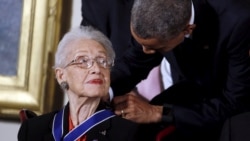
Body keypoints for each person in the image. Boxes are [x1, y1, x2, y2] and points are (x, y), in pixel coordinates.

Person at [109, 0, 250, 140]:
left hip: (236, 105)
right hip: (192, 88)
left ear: (188, 29)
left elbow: (235, 104)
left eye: (155, 48)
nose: (145, 51)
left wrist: (157, 113)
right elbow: (135, 62)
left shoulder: (238, 22)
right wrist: (104, 90)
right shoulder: (153, 12)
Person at [17, 26, 138, 141]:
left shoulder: (128, 134)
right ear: (61, 75)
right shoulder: (32, 130)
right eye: (83, 61)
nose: (96, 69)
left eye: (102, 61)